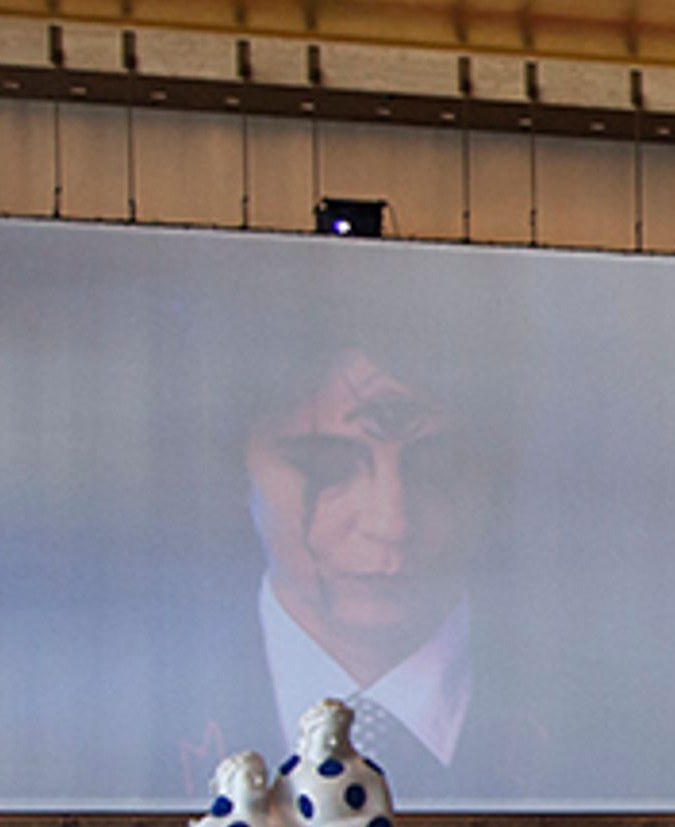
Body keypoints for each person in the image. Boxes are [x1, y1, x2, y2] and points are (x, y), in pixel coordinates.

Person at [169, 314, 556, 802]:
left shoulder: (608, 715)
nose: (390, 524)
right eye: (325, 469)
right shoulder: (137, 712)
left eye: (440, 466)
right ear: (234, 470)